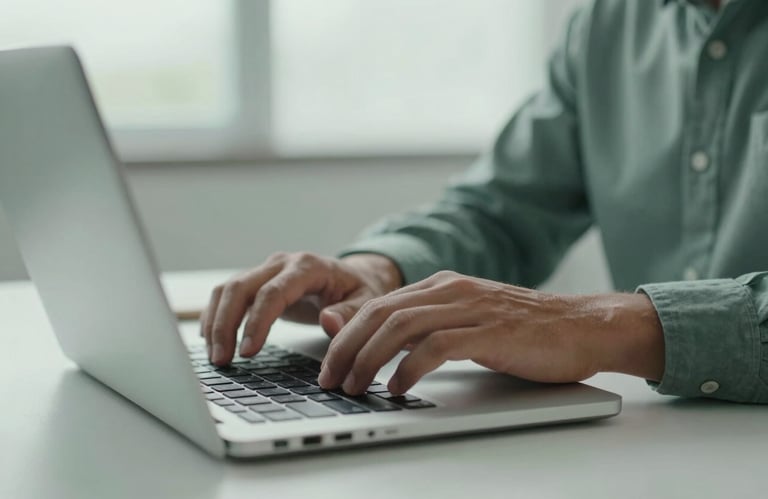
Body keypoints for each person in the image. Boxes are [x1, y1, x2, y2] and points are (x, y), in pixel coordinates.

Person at [201, 0, 768, 404]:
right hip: (660, 449)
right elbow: (503, 211)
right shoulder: (608, 24)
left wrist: (604, 327)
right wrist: (379, 270)